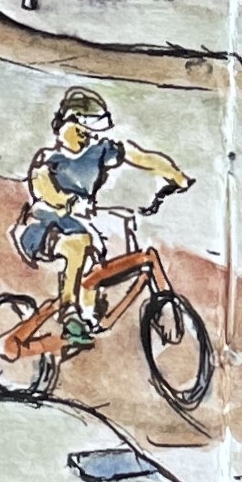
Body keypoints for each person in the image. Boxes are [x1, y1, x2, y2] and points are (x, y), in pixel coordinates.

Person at [15, 87, 189, 348]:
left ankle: (88, 314)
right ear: (65, 123)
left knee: (106, 244)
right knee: (79, 244)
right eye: (80, 130)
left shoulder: (97, 152)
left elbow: (139, 157)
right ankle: (69, 314)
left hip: (79, 224)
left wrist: (174, 175)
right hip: (43, 227)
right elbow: (43, 187)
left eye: (88, 133)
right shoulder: (49, 159)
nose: (85, 137)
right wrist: (68, 201)